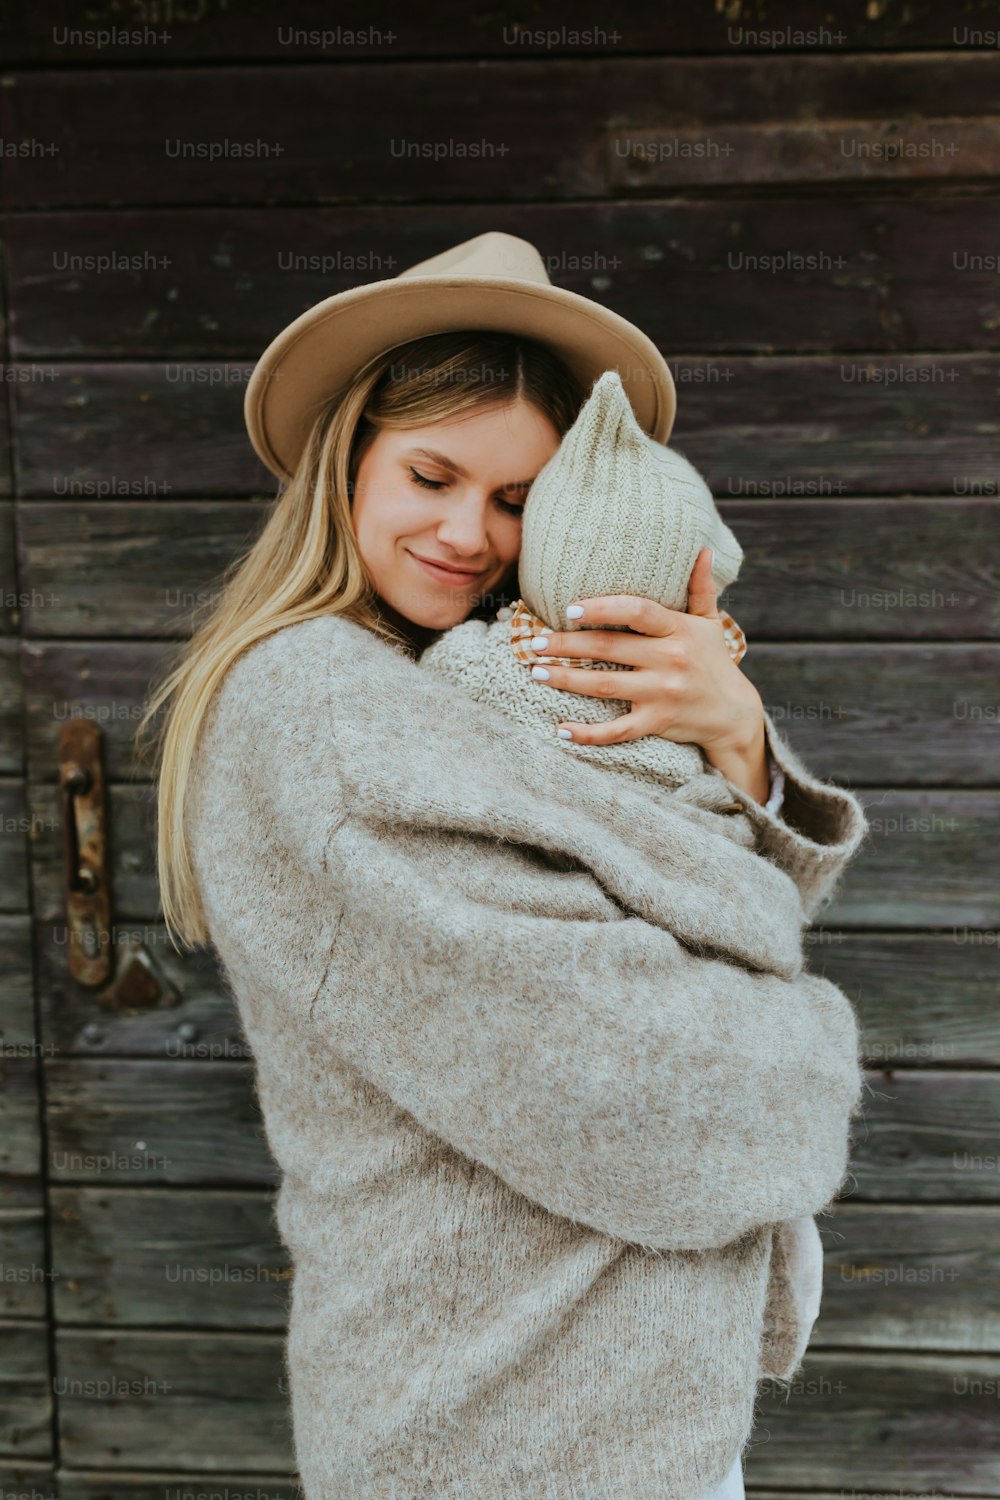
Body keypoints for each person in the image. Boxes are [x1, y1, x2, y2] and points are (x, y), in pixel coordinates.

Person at [138, 232, 869, 1500]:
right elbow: (644, 1094)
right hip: (500, 1421)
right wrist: (810, 1051)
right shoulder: (323, 708)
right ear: (347, 459)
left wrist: (731, 737)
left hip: (610, 1400)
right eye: (431, 473)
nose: (468, 533)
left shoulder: (482, 690)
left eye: (518, 499)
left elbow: (680, 917)